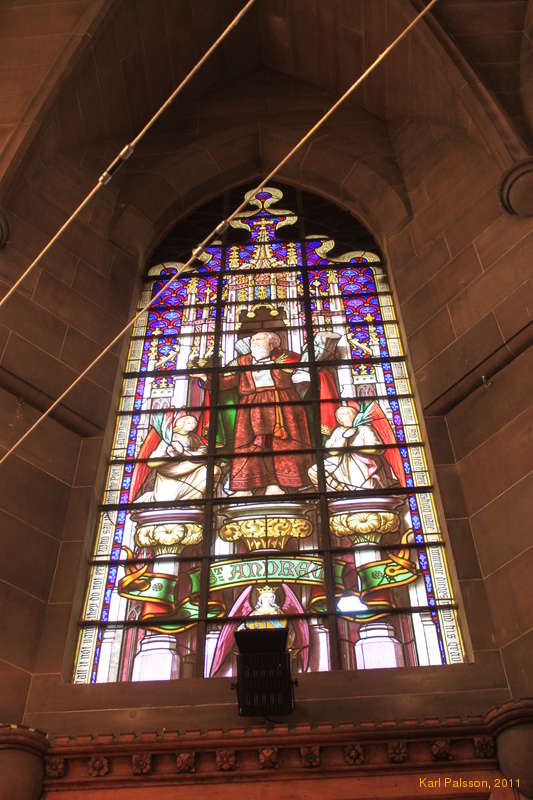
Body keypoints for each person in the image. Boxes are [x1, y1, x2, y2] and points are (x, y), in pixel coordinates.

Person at [217, 330, 313, 495]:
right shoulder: (241, 361)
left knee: (280, 445)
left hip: (282, 406)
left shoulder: (288, 358)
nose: (254, 342)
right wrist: (206, 378)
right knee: (249, 445)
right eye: (253, 339)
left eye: (259, 339)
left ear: (272, 343)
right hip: (250, 407)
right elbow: (226, 381)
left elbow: (303, 376)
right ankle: (245, 486)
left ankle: (277, 484)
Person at [308, 404, 401, 491]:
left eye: (344, 414)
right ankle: (337, 492)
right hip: (339, 463)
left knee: (366, 489)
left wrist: (353, 447)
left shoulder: (364, 429)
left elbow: (379, 449)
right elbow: (331, 451)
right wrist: (344, 437)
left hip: (363, 462)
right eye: (338, 414)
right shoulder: (338, 431)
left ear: (352, 414)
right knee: (314, 471)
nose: (340, 417)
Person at [133, 414, 218, 502]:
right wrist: (171, 456)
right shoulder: (170, 439)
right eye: (189, 423)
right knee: (164, 502)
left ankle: (190, 503)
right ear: (181, 424)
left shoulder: (194, 438)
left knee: (213, 471)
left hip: (190, 472)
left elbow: (203, 452)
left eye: (194, 423)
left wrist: (184, 452)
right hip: (170, 477)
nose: (192, 425)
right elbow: (151, 462)